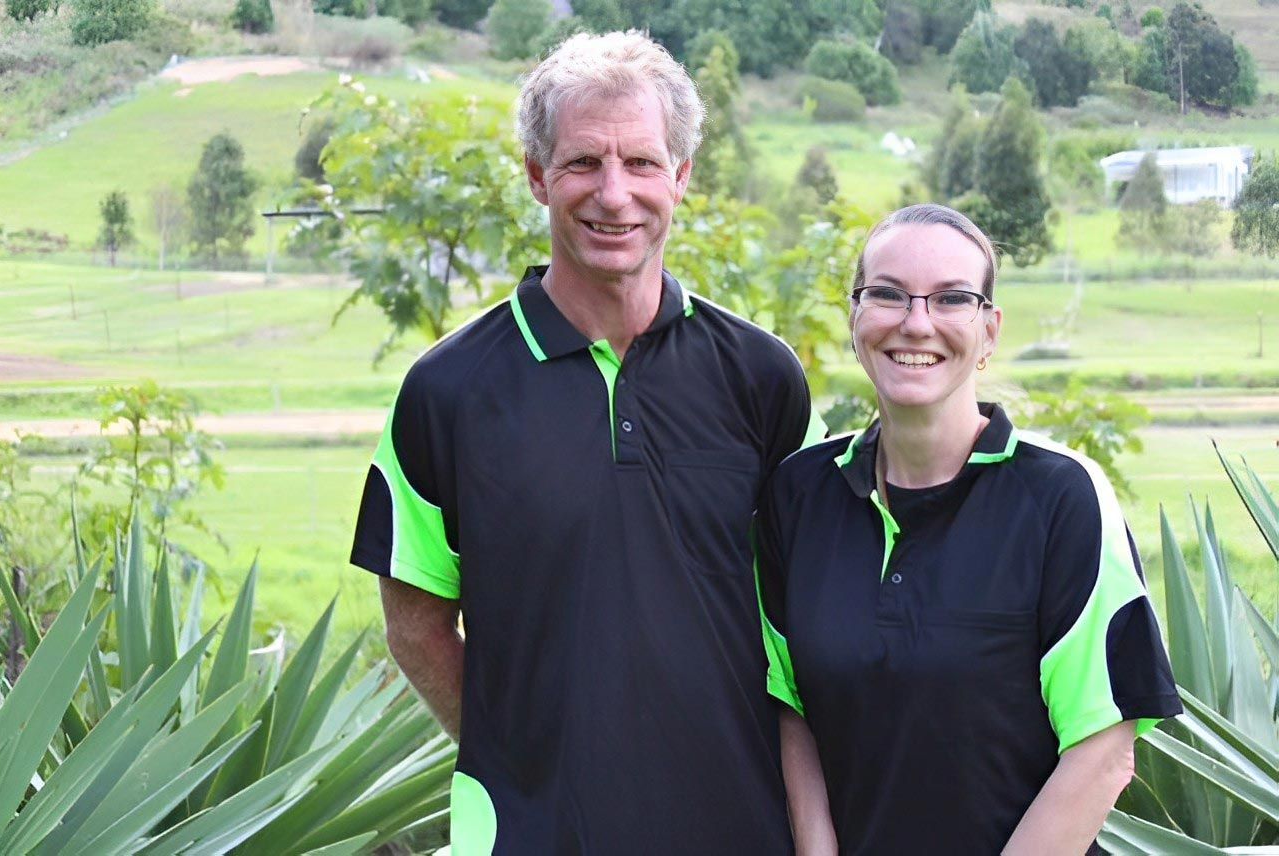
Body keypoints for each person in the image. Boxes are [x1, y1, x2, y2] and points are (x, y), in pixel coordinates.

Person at [350, 31, 821, 855]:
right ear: (537, 176)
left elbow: (814, 612)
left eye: (641, 163)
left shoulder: (762, 376)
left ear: (681, 178)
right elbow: (416, 625)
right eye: (581, 164)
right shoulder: (446, 392)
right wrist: (522, 763)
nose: (614, 195)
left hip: (741, 830)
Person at [755, 203, 1181, 855]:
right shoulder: (798, 495)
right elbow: (793, 709)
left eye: (951, 298)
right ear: (856, 317)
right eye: (888, 294)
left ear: (989, 331)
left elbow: (1104, 750)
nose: (915, 322)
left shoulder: (1062, 497)